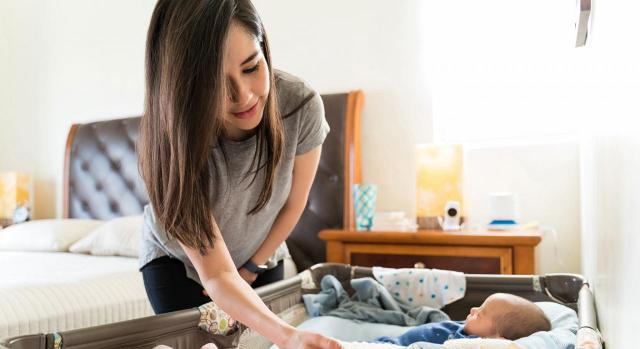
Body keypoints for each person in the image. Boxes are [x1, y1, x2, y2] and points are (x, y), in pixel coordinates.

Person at [137, 1, 342, 348]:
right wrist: (289, 336)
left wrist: (252, 268)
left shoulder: (300, 105)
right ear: (185, 88)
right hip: (181, 267)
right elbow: (216, 273)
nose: (243, 96)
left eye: (251, 67)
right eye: (217, 83)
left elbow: (294, 204)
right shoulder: (171, 140)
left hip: (261, 255)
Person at [375, 293, 551, 345]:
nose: (473, 309)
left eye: (479, 314)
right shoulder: (469, 328)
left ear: (495, 338)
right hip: (392, 341)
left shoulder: (470, 342)